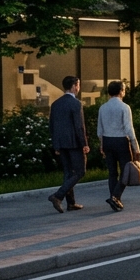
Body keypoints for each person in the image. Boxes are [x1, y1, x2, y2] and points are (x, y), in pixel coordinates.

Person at [47, 75, 88, 213]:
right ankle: (58, 196)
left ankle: (71, 203)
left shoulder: (55, 104)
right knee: (80, 171)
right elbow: (79, 126)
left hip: (61, 143)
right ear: (74, 86)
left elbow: (52, 125)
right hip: (74, 143)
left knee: (68, 172)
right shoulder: (76, 104)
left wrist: (56, 145)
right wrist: (84, 143)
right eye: (78, 85)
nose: (79, 87)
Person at [97, 81, 140, 212]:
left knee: (112, 172)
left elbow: (100, 130)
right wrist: (135, 146)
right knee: (125, 171)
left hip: (107, 141)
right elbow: (129, 129)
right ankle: (116, 197)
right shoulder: (124, 107)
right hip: (121, 141)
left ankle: (114, 198)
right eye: (124, 90)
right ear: (121, 91)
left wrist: (101, 144)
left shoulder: (102, 108)